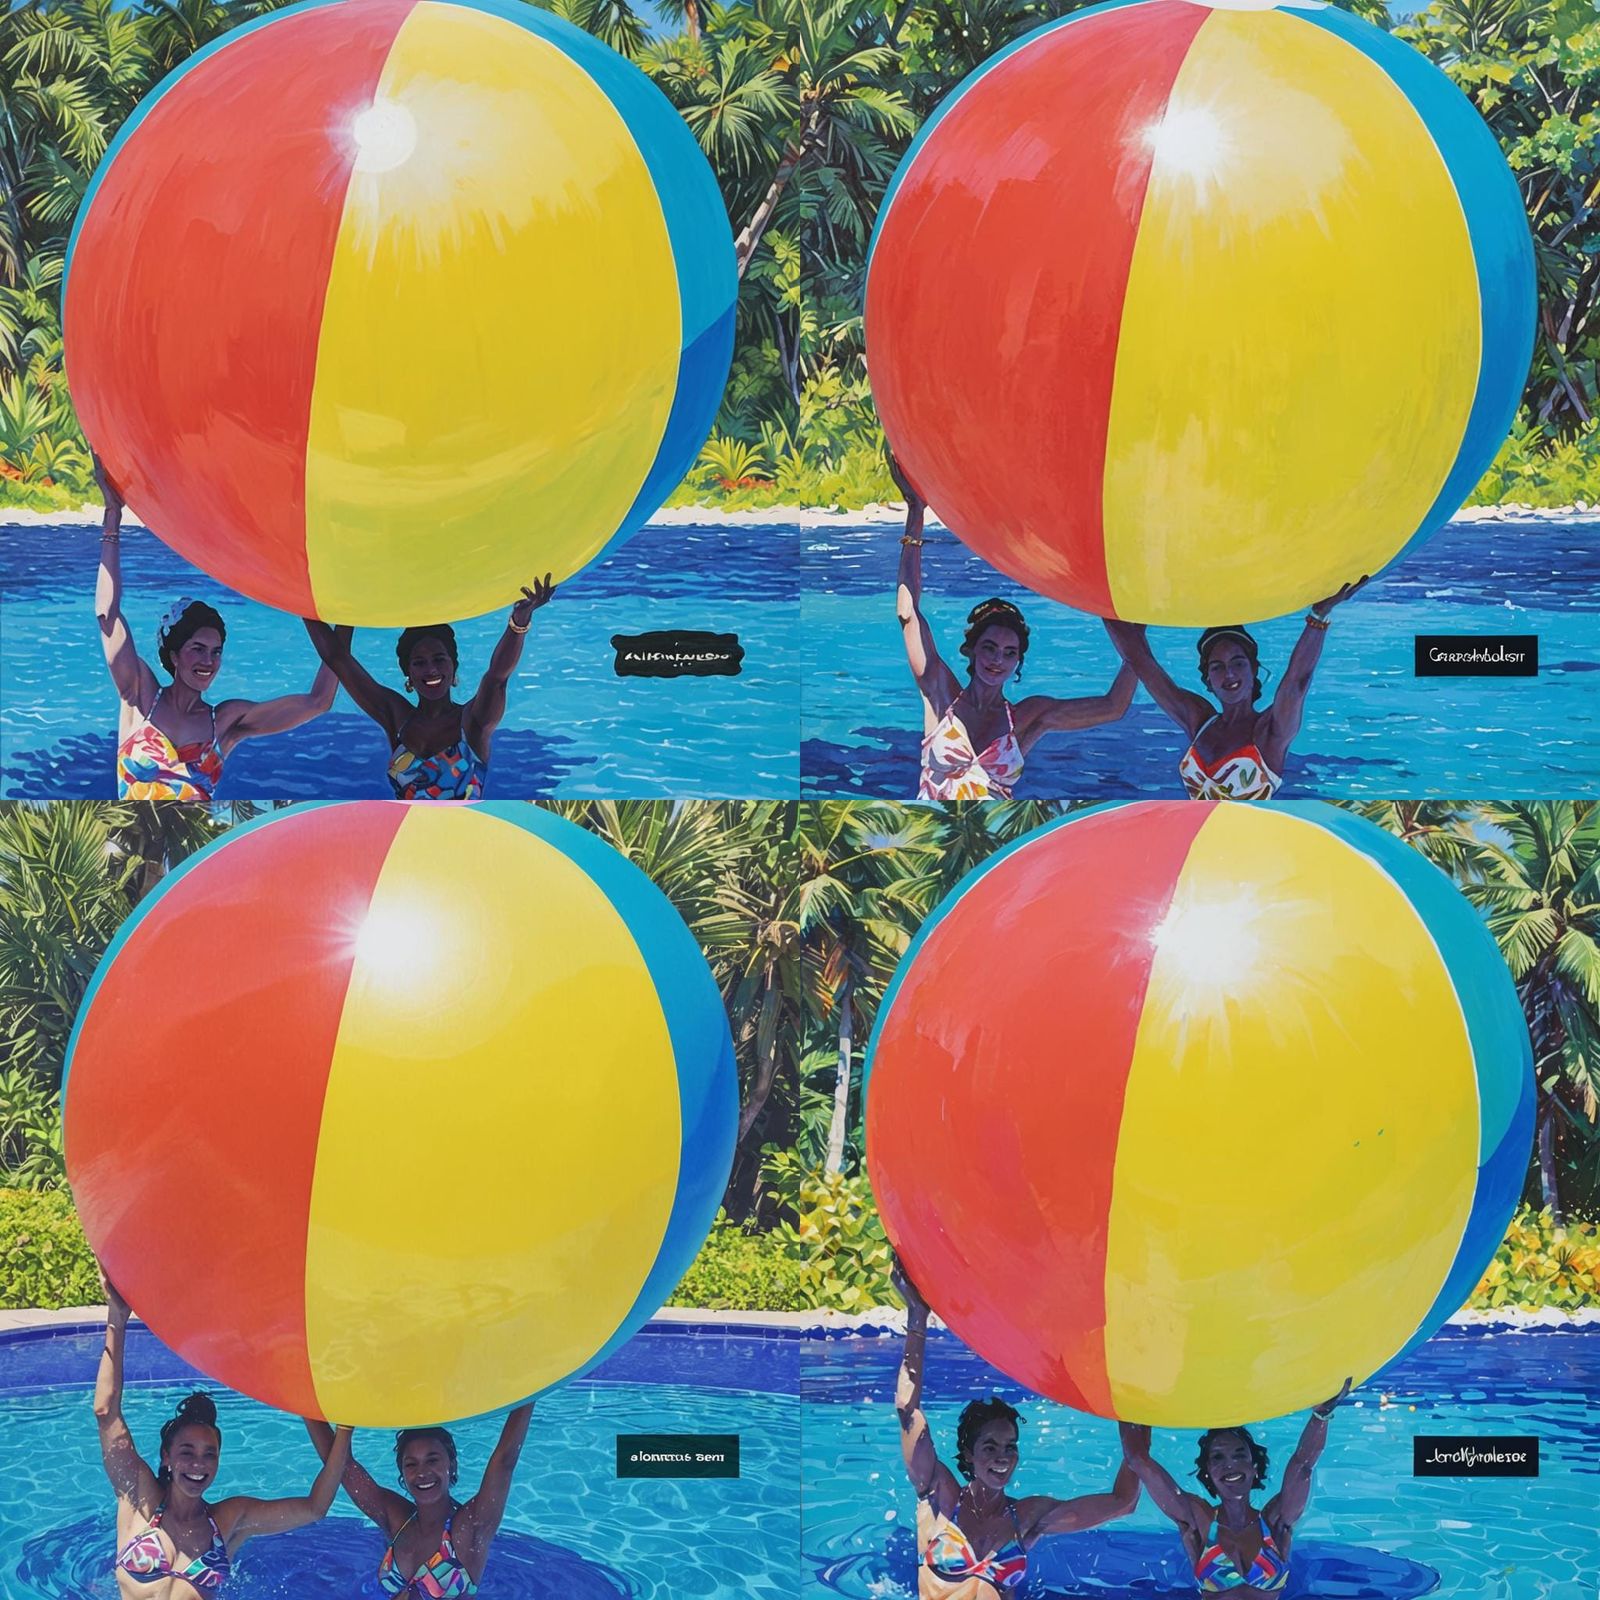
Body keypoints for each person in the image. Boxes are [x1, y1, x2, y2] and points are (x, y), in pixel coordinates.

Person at [94, 459, 339, 801]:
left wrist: (343, 617)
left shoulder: (225, 721)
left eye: (216, 651)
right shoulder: (141, 694)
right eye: (198, 648)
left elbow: (318, 702)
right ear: (174, 655)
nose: (209, 660)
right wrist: (112, 517)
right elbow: (108, 616)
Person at [891, 457, 1135, 799]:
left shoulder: (1026, 718)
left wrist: (1135, 639)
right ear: (972, 650)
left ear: (1018, 662)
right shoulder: (940, 694)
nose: (997, 660)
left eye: (1009, 653)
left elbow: (1113, 707)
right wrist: (915, 513)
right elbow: (907, 613)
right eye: (990, 647)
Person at [97, 1274, 352, 1596]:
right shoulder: (140, 1498)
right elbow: (107, 1414)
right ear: (167, 1457)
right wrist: (116, 1318)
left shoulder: (228, 1520)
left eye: (209, 1454)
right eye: (187, 1451)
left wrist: (345, 1427)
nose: (198, 1464)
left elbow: (315, 1507)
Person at [894, 1261, 1139, 1597]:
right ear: (969, 1454)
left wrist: (1138, 1411)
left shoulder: (1025, 1516)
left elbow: (1123, 1503)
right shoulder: (939, 1495)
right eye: (990, 1447)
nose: (1003, 1457)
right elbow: (909, 1412)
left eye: (1010, 1446)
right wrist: (917, 1318)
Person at [1103, 582, 1367, 800]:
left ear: (1254, 669)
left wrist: (1318, 617)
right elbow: (1142, 663)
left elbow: (1297, 681)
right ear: (1208, 679)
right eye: (1217, 667)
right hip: (1198, 839)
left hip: (1247, 847)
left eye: (1237, 664)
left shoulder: (1270, 730)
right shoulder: (1199, 720)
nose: (1229, 674)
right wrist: (1101, 598)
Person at [303, 581, 551, 800]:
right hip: (408, 835)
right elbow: (337, 658)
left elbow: (497, 677)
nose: (431, 669)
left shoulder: (473, 720)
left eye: (439, 659)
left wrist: (519, 621)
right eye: (419, 663)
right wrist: (306, 603)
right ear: (408, 674)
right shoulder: (397, 717)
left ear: (453, 667)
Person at [1117, 1379, 1352, 1593]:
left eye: (1240, 1456)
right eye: (1218, 1458)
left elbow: (1303, 1465)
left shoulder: (1274, 1522)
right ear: (1208, 1474)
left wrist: (1322, 1416)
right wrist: (1125, 1396)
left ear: (1254, 1468)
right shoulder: (1199, 1520)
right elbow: (1137, 1460)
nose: (1230, 1466)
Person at [305, 1406, 533, 1596]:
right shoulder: (399, 1522)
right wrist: (304, 1404)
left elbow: (504, 1461)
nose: (422, 1473)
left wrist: (531, 1388)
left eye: (432, 1460)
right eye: (411, 1464)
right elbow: (343, 1468)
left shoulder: (468, 1529)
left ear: (450, 1465)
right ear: (402, 1473)